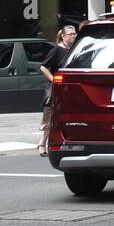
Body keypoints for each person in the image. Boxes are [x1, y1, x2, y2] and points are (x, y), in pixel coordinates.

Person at [37, 25, 77, 156]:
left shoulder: (74, 50)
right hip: (57, 87)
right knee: (50, 115)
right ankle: (42, 143)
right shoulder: (56, 50)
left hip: (70, 87)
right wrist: (52, 78)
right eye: (71, 34)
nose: (74, 35)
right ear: (63, 36)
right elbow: (43, 66)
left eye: (75, 33)